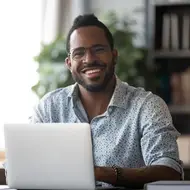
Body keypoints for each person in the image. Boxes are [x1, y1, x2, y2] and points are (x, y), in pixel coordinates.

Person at [30, 14, 183, 188]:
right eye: (79, 53)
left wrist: (102, 173)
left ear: (114, 55)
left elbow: (169, 172)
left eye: (98, 50)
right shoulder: (49, 107)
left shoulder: (147, 106)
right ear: (69, 63)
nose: (89, 59)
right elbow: (25, 164)